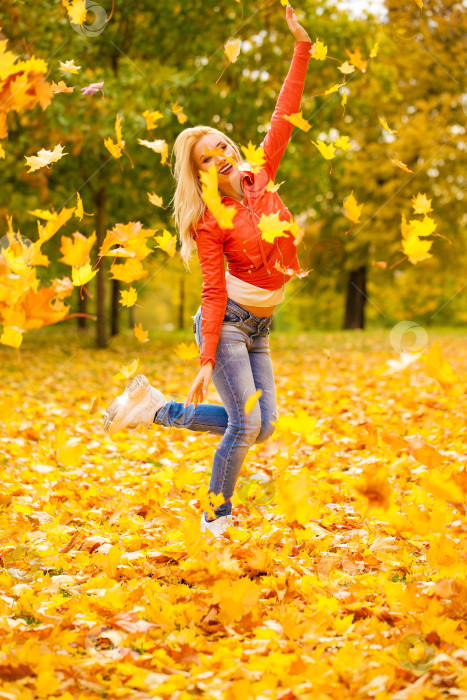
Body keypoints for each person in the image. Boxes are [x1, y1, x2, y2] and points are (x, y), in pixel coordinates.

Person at [103, 4, 313, 538]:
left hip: (261, 327)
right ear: (198, 174)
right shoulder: (208, 224)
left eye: (221, 144)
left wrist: (301, 48)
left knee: (263, 427)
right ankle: (216, 519)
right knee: (245, 425)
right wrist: (204, 358)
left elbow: (284, 116)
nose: (218, 154)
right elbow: (214, 292)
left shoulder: (260, 177)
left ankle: (155, 412)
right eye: (205, 156)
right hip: (228, 326)